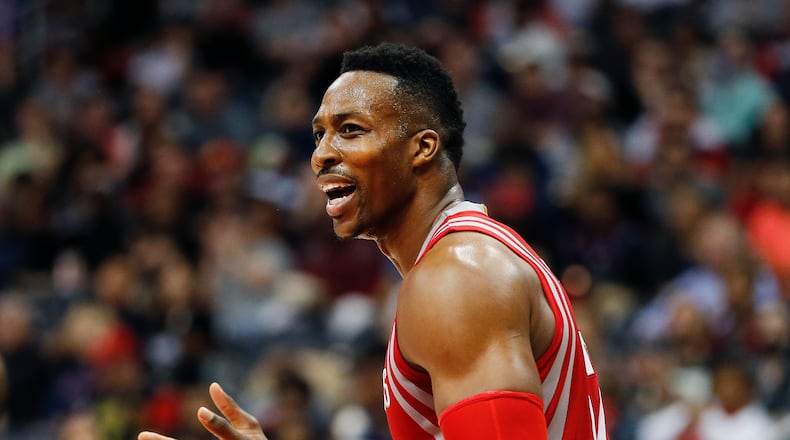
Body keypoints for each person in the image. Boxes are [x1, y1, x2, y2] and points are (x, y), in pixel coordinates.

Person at [139, 43, 608, 440]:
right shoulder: (468, 258)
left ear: (422, 148)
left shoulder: (459, 278)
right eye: (319, 134)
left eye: (351, 130)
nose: (321, 155)